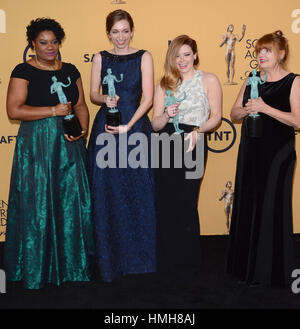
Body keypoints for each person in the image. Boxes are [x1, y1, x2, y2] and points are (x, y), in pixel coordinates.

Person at [4, 18, 95, 289]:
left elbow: (80, 105)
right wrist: (52, 111)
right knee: (37, 204)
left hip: (68, 145)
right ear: (32, 44)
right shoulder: (23, 70)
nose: (50, 47)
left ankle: (72, 265)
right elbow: (14, 110)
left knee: (71, 203)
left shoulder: (71, 70)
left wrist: (82, 129)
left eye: (54, 42)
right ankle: (36, 267)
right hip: (36, 146)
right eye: (43, 42)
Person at [227, 30, 300, 287]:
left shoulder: (293, 81)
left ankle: (272, 270)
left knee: (272, 206)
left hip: (278, 153)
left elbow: (298, 120)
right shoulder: (252, 78)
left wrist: (265, 108)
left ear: (281, 54)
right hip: (251, 150)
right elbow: (234, 113)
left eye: (267, 50)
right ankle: (246, 266)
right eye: (259, 51)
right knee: (249, 203)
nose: (261, 55)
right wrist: (247, 109)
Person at [88, 9, 156, 282]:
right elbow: (93, 93)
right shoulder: (99, 58)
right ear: (108, 33)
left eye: (125, 31)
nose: (120, 37)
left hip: (135, 127)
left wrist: (130, 126)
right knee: (108, 192)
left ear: (132, 31)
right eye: (115, 32)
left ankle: (140, 260)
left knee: (139, 191)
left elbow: (148, 98)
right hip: (106, 128)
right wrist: (104, 98)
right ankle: (110, 260)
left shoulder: (144, 56)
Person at [152, 35, 222, 275]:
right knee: (165, 201)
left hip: (193, 140)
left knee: (187, 200)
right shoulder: (164, 83)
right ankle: (166, 260)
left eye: (186, 54)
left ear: (195, 55)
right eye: (177, 55)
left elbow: (215, 117)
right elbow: (156, 125)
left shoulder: (209, 80)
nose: (181, 60)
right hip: (165, 143)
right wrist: (166, 114)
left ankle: (189, 261)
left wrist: (198, 131)